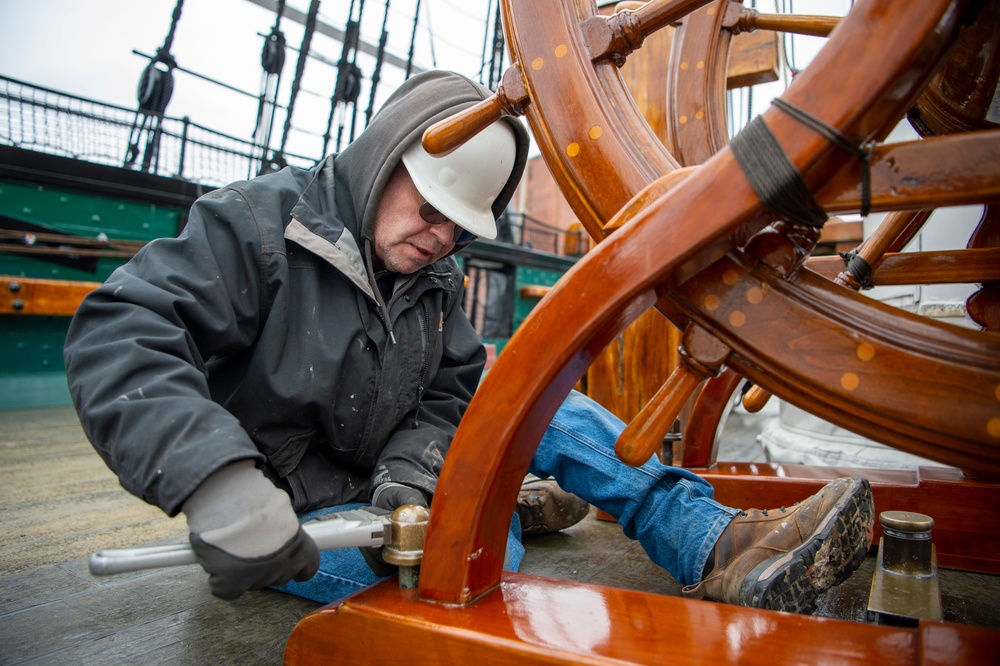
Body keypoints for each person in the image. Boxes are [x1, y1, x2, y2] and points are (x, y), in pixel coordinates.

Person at [63, 70, 873, 615]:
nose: (443, 238)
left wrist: (409, 478)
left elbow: (449, 393)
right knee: (483, 562)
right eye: (431, 209)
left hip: (390, 486)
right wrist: (216, 482)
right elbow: (122, 331)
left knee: (529, 395)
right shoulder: (255, 226)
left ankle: (709, 540)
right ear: (386, 160)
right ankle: (509, 497)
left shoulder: (434, 279)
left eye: (460, 224)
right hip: (303, 521)